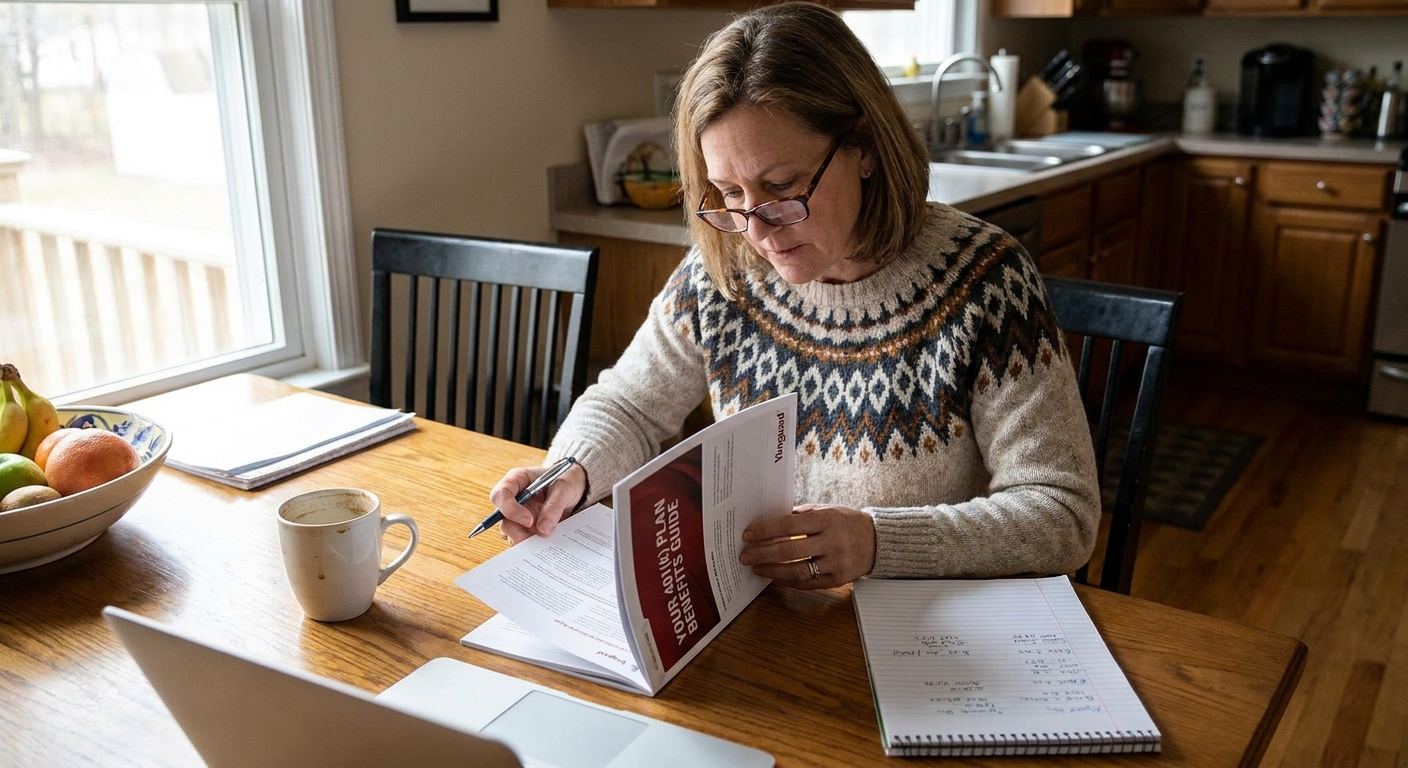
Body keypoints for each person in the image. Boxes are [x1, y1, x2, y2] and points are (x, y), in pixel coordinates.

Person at [490, 1, 1100, 590]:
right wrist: (569, 473)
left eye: (781, 186)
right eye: (728, 193)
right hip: (764, 624)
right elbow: (628, 406)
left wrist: (878, 543)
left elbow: (1061, 513)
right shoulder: (722, 272)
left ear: (862, 145)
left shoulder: (986, 282)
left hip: (920, 634)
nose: (755, 230)